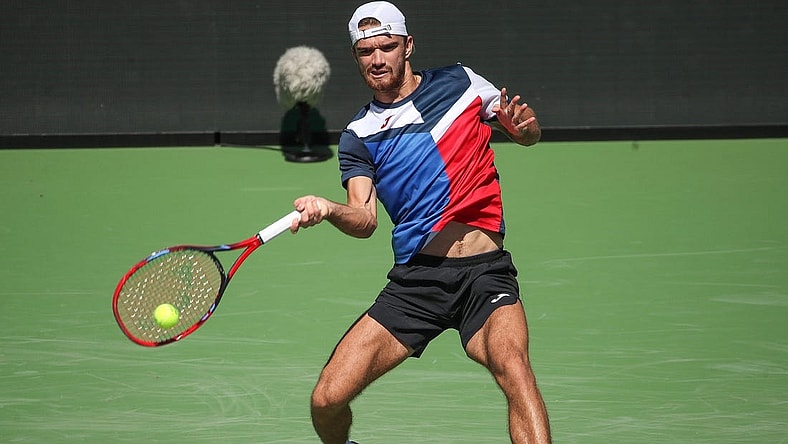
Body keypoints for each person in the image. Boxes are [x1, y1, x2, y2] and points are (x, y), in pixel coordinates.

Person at [289, 2, 551, 443]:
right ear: (355, 57)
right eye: (366, 51)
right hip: (418, 284)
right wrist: (329, 209)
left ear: (407, 46)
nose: (377, 59)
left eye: (387, 47)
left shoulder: (461, 82)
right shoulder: (359, 135)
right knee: (326, 400)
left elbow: (525, 131)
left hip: (485, 274)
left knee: (514, 367)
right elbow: (364, 218)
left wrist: (525, 131)